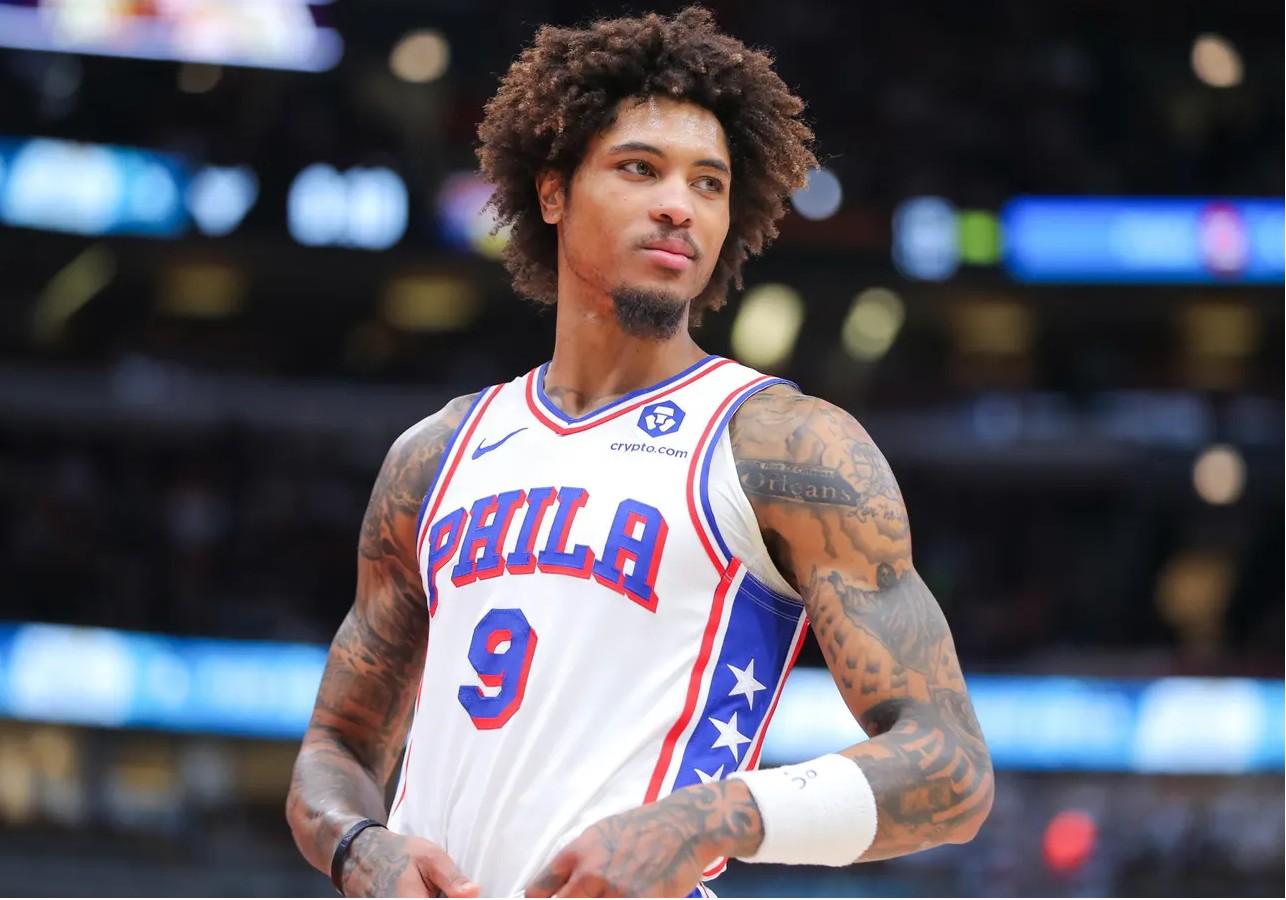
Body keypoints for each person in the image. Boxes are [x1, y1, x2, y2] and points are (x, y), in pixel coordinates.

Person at [286, 7, 993, 897]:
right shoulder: (434, 456)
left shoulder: (785, 446)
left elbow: (951, 769)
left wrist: (702, 819)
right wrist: (361, 846)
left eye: (709, 183)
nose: (677, 205)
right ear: (553, 191)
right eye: (639, 168)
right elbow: (336, 747)